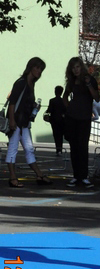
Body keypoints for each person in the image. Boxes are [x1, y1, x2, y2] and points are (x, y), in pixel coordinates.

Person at [5, 57, 52, 188]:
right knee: (13, 149)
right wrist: (12, 121)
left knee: (29, 148)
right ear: (30, 67)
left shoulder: (31, 84)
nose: (39, 71)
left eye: (41, 69)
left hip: (24, 123)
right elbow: (12, 103)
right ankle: (13, 178)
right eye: (37, 68)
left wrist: (34, 107)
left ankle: (39, 175)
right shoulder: (21, 83)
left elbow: (25, 103)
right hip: (17, 122)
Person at [63, 57, 100, 189]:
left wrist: (89, 84)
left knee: (83, 146)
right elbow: (65, 96)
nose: (76, 70)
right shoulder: (71, 81)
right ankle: (76, 176)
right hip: (72, 117)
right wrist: (69, 108)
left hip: (84, 118)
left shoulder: (90, 80)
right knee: (74, 147)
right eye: (73, 68)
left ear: (81, 67)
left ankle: (84, 176)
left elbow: (96, 98)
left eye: (77, 67)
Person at [46, 85, 66, 156]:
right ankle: (60, 149)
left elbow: (49, 110)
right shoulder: (63, 101)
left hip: (54, 120)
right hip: (62, 120)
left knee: (56, 135)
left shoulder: (52, 101)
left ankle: (58, 150)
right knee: (61, 135)